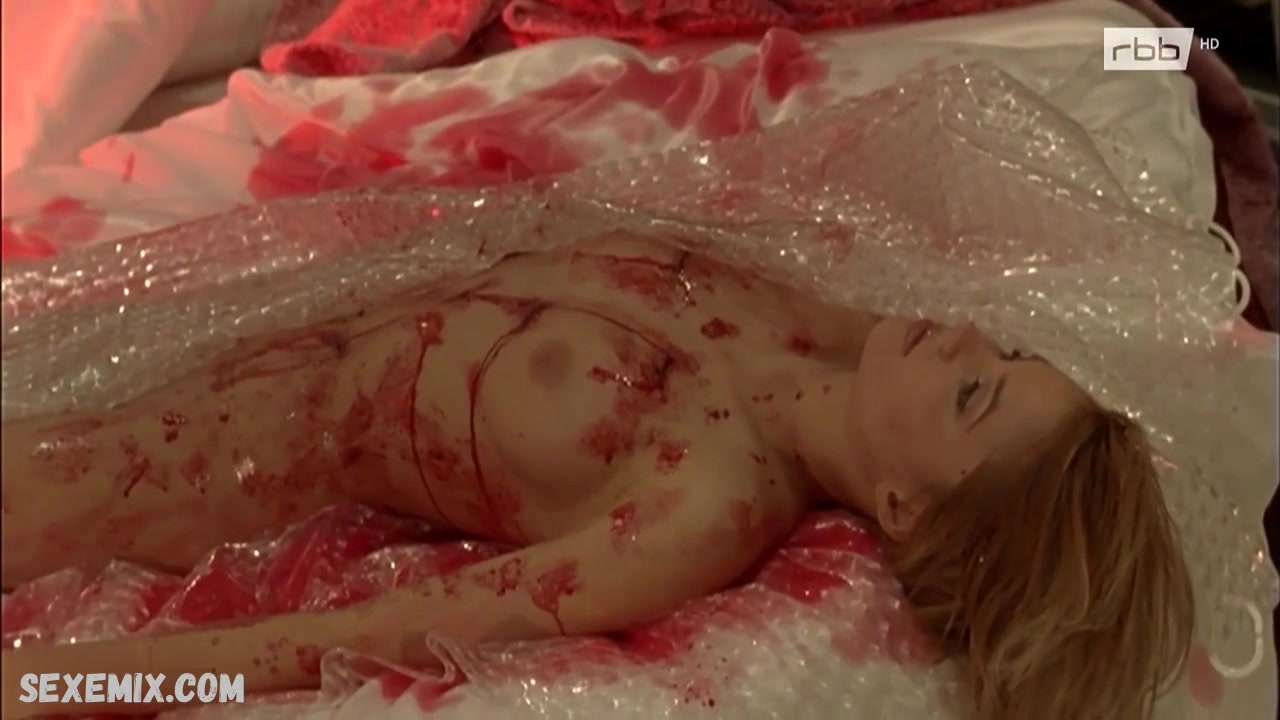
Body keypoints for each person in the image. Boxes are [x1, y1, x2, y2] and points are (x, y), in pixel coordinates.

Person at [0, 231, 1194, 719]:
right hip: (198, 340)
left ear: (904, 507)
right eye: (1006, 356)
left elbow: (354, 638)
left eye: (974, 394)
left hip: (147, 475)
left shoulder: (701, 511)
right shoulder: (814, 317)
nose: (967, 341)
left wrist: (60, 683)